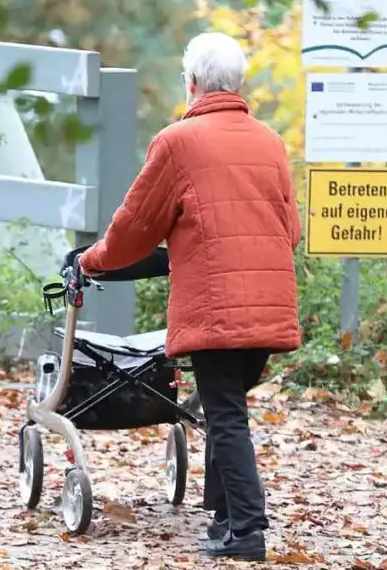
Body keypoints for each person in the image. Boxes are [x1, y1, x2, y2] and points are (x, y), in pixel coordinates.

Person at [79, 31, 301, 561]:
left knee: (224, 414)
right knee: (227, 407)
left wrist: (89, 260)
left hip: (217, 306)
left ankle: (246, 530)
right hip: (270, 304)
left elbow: (134, 230)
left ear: (193, 83)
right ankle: (225, 518)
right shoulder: (270, 142)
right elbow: (289, 231)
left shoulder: (178, 142)